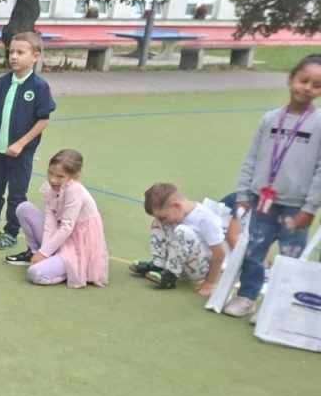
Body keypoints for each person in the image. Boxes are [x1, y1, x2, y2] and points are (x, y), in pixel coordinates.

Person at [220, 55, 321, 318]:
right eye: (304, 80)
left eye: (317, 85)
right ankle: (247, 296)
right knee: (254, 251)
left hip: (296, 207)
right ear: (291, 79)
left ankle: (276, 306)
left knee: (289, 257)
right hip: (261, 201)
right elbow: (252, 157)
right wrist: (243, 193)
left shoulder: (319, 123)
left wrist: (310, 206)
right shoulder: (270, 119)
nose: (308, 88)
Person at [0, 32, 57, 248]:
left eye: (20, 52)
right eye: (11, 52)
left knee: (17, 194)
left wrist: (20, 144)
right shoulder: (2, 82)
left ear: (35, 56)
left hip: (21, 155)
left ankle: (11, 231)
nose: (14, 57)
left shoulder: (39, 86)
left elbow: (43, 120)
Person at [5, 148, 109, 287]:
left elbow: (67, 227)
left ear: (75, 176)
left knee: (35, 273)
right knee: (24, 208)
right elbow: (50, 222)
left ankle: (67, 272)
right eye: (50, 173)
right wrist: (43, 252)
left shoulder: (74, 190)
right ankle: (33, 252)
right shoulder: (51, 188)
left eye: (60, 176)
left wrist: (44, 254)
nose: (53, 180)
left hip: (76, 246)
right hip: (59, 237)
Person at [129, 183, 227, 293]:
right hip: (178, 262)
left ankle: (171, 276)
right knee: (156, 221)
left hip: (199, 268)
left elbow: (220, 252)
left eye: (164, 216)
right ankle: (159, 265)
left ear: (176, 206)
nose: (164, 220)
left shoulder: (205, 218)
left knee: (183, 230)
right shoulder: (176, 213)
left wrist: (210, 282)